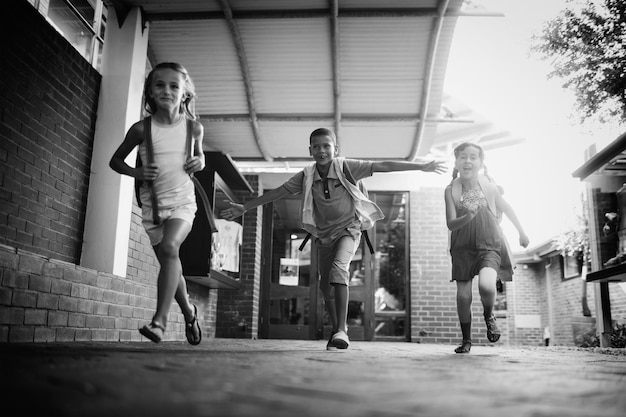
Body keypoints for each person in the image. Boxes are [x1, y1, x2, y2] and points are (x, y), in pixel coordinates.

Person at [221, 128, 446, 350]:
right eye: (316, 147)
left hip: (349, 229)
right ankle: (335, 331)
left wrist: (421, 166)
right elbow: (278, 192)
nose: (322, 151)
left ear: (335, 148)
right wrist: (245, 207)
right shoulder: (307, 176)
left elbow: (383, 166)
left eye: (326, 146)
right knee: (325, 287)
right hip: (324, 235)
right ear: (310, 150)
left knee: (340, 269)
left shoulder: (346, 167)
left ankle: (341, 330)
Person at [109, 62, 204, 345]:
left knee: (170, 248)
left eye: (174, 86)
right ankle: (189, 312)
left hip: (183, 202)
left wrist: (199, 161)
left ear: (185, 93)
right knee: (170, 262)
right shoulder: (141, 129)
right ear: (150, 92)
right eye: (159, 85)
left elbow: (200, 158)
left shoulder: (194, 128)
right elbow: (115, 160)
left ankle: (159, 323)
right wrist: (136, 172)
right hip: (154, 207)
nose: (167, 90)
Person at [444, 142, 529, 354]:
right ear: (456, 161)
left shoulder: (489, 187)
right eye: (463, 156)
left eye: (473, 157)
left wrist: (521, 232)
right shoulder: (451, 190)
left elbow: (506, 208)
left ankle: (489, 314)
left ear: (481, 163)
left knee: (487, 286)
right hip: (462, 247)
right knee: (463, 296)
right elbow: (451, 224)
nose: (468, 160)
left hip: (489, 244)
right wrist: (467, 216)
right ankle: (466, 340)